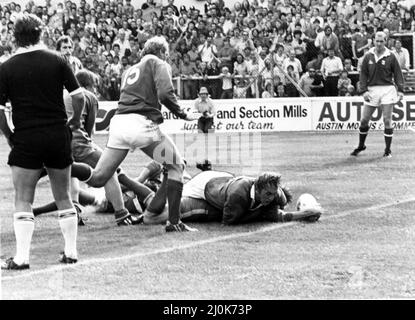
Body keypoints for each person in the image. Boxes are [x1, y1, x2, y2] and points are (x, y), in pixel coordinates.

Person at [71, 36, 201, 232]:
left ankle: (58, 165)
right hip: (141, 123)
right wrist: (182, 113)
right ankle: (174, 223)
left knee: (99, 177)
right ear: (163, 52)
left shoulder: (129, 70)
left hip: (119, 123)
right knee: (177, 166)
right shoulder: (158, 62)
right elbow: (165, 94)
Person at [0, 13, 85, 270]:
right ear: (41, 33)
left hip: (27, 136)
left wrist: (9, 135)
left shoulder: (5, 67)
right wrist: (75, 121)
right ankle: (71, 252)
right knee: (63, 196)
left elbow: (0, 110)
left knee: (23, 198)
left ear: (15, 36)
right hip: (57, 133)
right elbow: (79, 96)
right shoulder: (58, 60)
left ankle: (22, 258)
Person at [64, 69, 141, 226]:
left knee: (71, 175)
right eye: (95, 86)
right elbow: (89, 130)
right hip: (78, 143)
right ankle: (122, 214)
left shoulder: (63, 95)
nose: (96, 90)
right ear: (89, 85)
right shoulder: (88, 96)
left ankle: (74, 213)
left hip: (59, 143)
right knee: (109, 170)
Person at [142, 170, 321, 225]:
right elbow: (229, 222)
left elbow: (278, 214)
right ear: (258, 190)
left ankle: (173, 177)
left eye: (273, 194)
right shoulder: (238, 195)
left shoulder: (273, 194)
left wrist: (307, 213)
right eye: (267, 194)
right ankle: (165, 179)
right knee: (151, 218)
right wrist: (261, 214)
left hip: (219, 179)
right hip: (202, 188)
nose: (270, 198)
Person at [351, 31, 404, 158]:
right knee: (364, 120)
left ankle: (387, 150)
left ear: (385, 41)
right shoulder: (368, 56)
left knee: (387, 120)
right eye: (377, 41)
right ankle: (361, 145)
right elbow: (363, 74)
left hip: (387, 89)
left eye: (382, 41)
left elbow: (397, 73)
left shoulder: (390, 56)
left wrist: (400, 90)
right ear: (373, 41)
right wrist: (363, 91)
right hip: (372, 90)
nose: (379, 43)